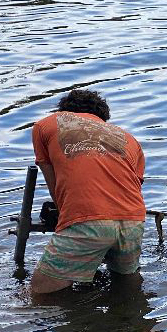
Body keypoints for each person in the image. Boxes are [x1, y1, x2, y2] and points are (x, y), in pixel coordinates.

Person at [29, 89, 146, 294]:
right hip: (133, 219)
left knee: (41, 292)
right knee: (126, 283)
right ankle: (133, 319)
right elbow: (133, 186)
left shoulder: (46, 125)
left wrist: (64, 216)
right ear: (103, 118)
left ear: (64, 111)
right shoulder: (129, 139)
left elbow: (53, 181)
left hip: (88, 219)